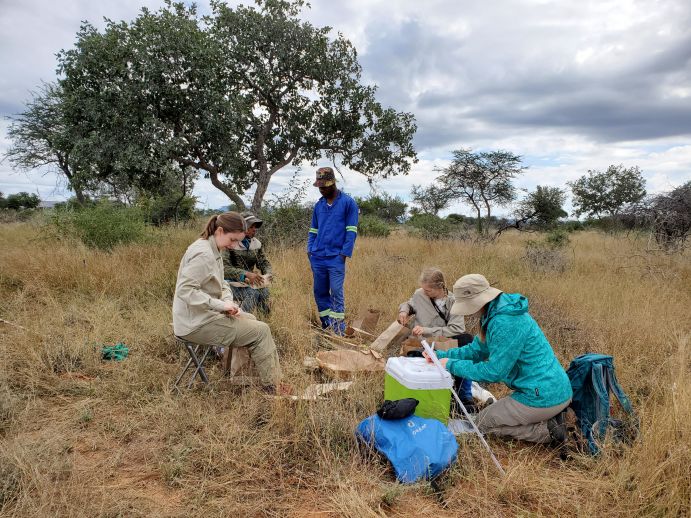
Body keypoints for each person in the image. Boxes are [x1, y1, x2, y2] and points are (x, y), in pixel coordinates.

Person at [426, 274, 572, 445]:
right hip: (548, 390)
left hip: (542, 396)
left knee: (480, 424)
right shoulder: (495, 312)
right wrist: (440, 356)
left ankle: (548, 431)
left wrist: (451, 365)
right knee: (483, 419)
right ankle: (549, 418)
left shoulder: (505, 322)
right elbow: (476, 351)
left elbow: (494, 372)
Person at [172, 212, 285, 394]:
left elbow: (222, 282)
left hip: (204, 316)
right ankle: (273, 387)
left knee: (250, 318)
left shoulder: (213, 248)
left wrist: (228, 302)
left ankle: (240, 377)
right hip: (194, 324)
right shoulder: (203, 254)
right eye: (232, 240)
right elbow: (185, 291)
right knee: (262, 331)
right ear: (220, 230)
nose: (233, 245)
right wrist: (221, 306)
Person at [397, 267, 475, 409]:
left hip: (443, 342)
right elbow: (409, 303)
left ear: (440, 287)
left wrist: (427, 330)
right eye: (424, 289)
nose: (425, 293)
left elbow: (456, 329)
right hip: (421, 343)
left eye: (428, 291)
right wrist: (404, 311)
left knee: (467, 340)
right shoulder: (420, 294)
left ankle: (464, 397)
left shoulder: (453, 302)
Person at [307, 167, 359, 335]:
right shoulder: (319, 205)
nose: (321, 190)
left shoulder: (348, 203)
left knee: (336, 291)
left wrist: (344, 253)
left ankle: (338, 329)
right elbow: (313, 230)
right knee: (319, 292)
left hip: (336, 257)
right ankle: (326, 325)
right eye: (319, 187)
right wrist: (310, 249)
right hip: (318, 256)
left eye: (324, 187)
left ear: (333, 184)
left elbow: (351, 230)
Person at [223, 212, 272, 314]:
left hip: (247, 282)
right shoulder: (229, 243)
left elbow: (263, 262)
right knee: (252, 293)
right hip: (228, 283)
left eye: (255, 227)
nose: (254, 229)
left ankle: (264, 322)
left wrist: (268, 273)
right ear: (241, 227)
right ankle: (241, 320)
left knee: (264, 292)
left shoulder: (256, 243)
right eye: (251, 226)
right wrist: (245, 274)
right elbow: (224, 269)